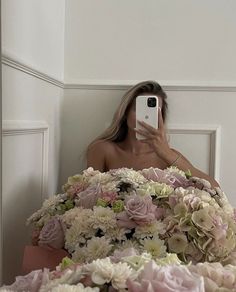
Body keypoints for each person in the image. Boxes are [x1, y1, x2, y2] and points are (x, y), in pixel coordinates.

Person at [87, 80, 219, 188]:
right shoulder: (103, 149)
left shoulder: (169, 156)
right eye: (137, 109)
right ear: (125, 113)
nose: (143, 117)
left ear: (161, 118)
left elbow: (214, 188)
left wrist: (167, 154)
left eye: (152, 111)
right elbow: (86, 196)